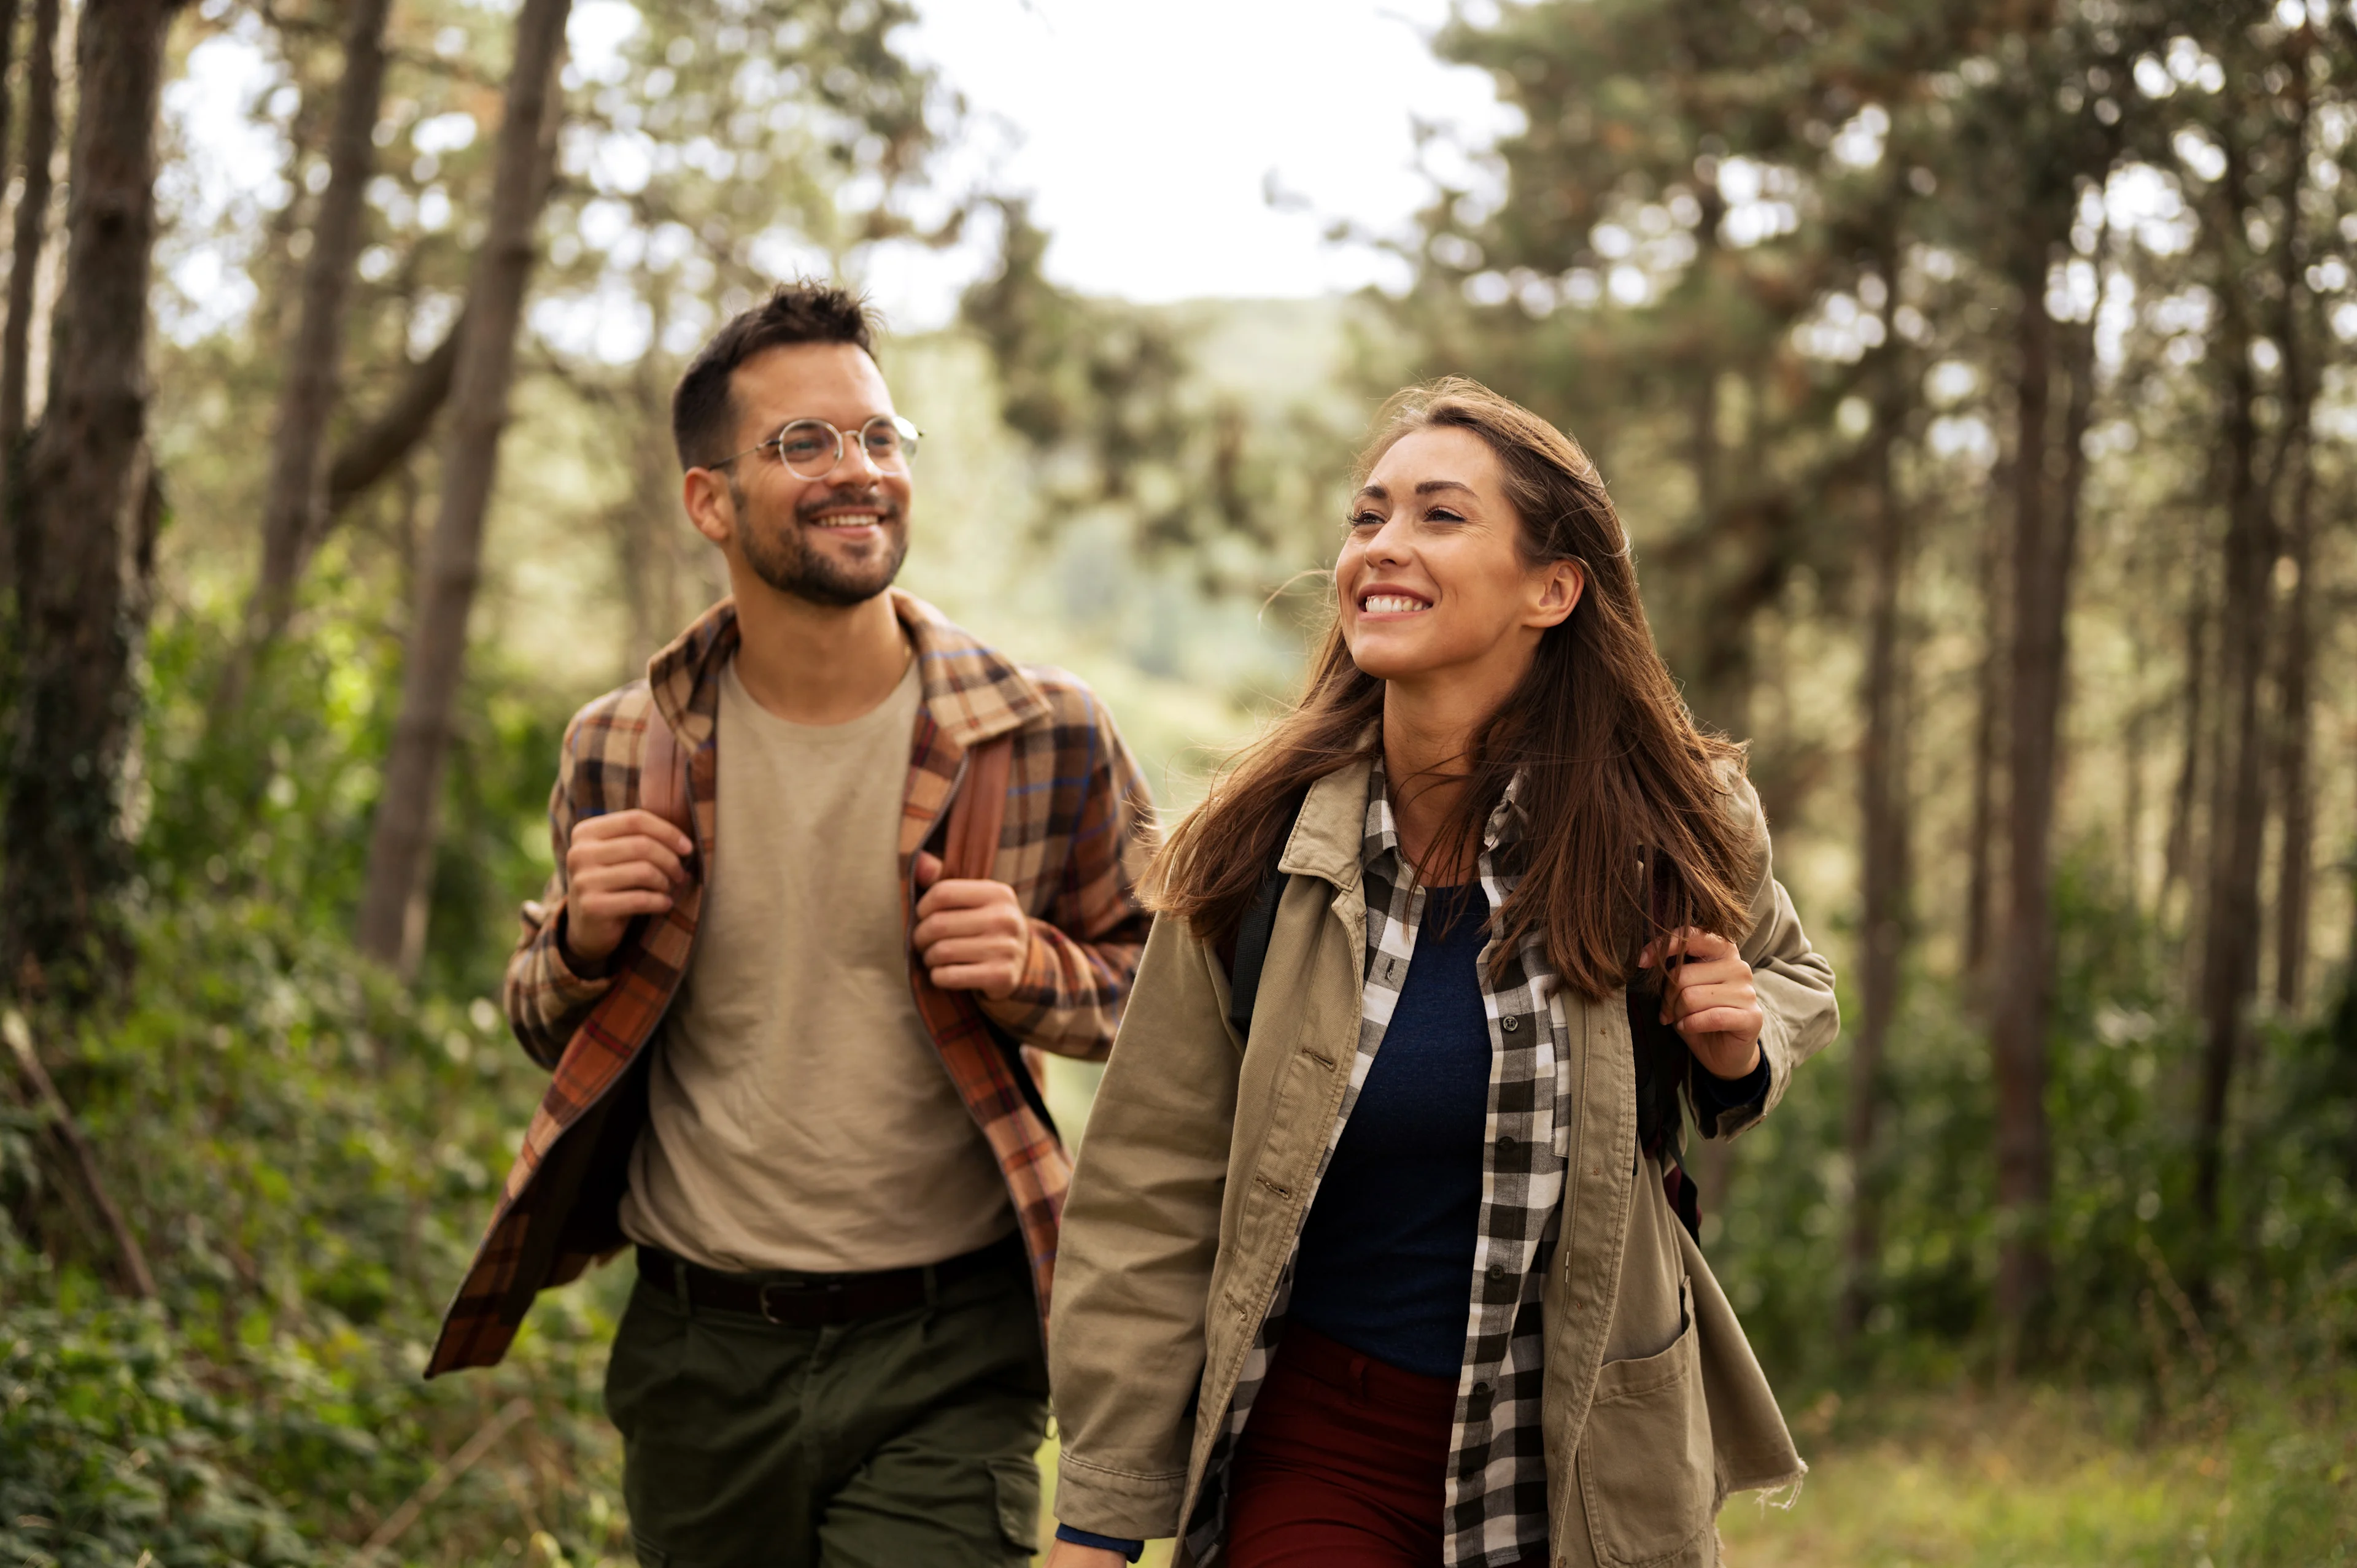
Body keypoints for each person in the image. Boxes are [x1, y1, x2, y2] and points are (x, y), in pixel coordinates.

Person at [422, 282, 1159, 1568]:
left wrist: (1037, 970)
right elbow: (546, 1017)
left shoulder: (1044, 732)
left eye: (879, 437)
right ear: (710, 500)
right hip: (701, 1352)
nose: (857, 471)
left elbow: (1179, 998)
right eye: (804, 443)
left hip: (952, 1347)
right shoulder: (620, 744)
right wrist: (579, 942)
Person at [1042, 379, 1838, 1568]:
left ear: (1553, 589)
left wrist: (1741, 1033)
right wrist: (1096, 1523)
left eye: (1439, 516)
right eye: (1369, 517)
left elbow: (1790, 974)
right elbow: (1150, 1187)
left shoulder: (1669, 822)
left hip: (1581, 1445)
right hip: (1322, 1445)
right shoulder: (1254, 849)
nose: (1382, 548)